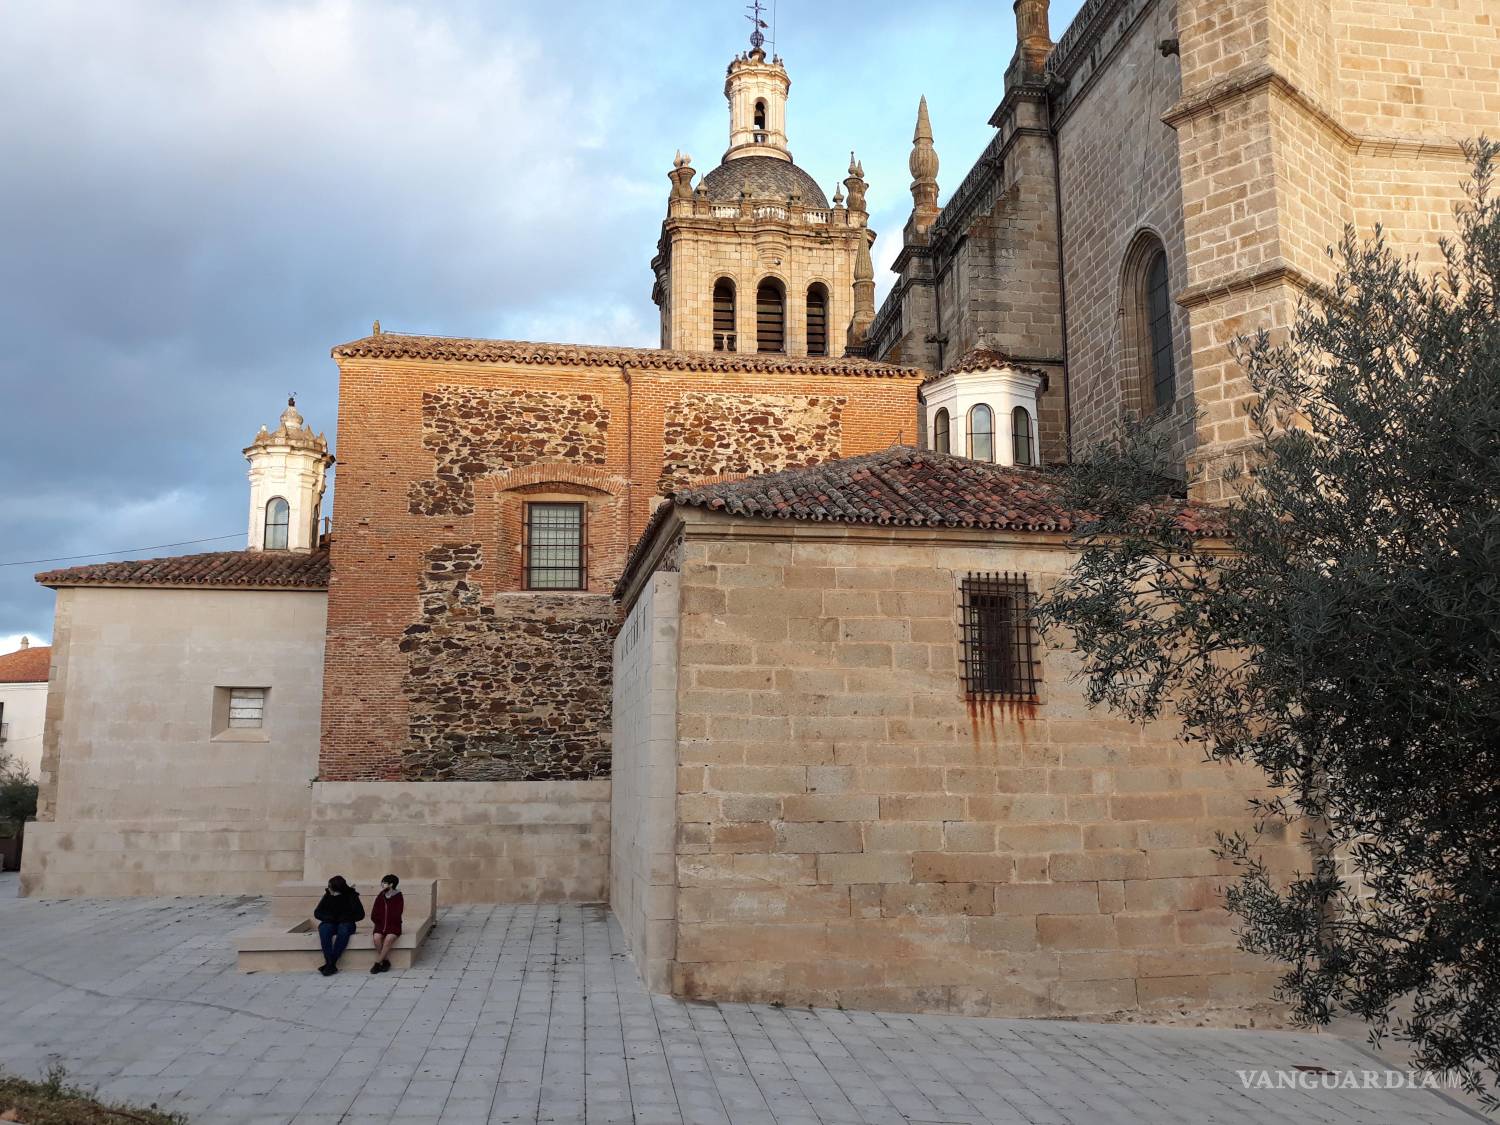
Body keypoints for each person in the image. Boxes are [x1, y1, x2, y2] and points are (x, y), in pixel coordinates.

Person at [313, 875, 364, 975]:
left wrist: (345, 918)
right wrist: (329, 918)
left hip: (346, 924)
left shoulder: (351, 895)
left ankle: (331, 963)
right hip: (330, 922)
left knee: (343, 930)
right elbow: (317, 912)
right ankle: (329, 962)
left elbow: (360, 914)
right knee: (324, 929)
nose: (328, 888)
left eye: (330, 886)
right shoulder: (328, 895)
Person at [368, 873, 404, 974]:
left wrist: (389, 922)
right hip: (380, 925)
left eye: (384, 883)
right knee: (376, 938)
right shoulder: (381, 895)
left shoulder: (398, 896)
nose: (382, 884)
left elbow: (398, 912)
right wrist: (377, 921)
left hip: (394, 925)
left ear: (391, 884)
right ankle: (386, 961)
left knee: (388, 940)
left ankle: (377, 963)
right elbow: (375, 911)